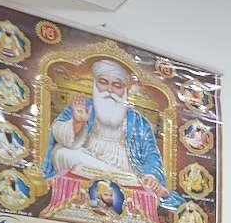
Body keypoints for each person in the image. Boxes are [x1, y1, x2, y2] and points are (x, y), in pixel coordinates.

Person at [44, 59, 183, 210]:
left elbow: (151, 154)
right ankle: (131, 183)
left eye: (116, 85)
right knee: (61, 153)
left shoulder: (138, 120)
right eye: (103, 82)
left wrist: (151, 176)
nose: (109, 90)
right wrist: (77, 124)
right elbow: (56, 134)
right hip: (88, 159)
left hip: (126, 166)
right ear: (95, 84)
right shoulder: (84, 106)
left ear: (124, 89)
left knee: (143, 180)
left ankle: (132, 182)